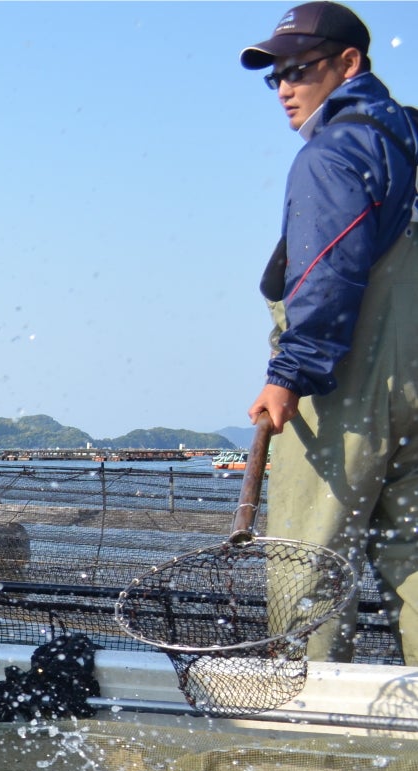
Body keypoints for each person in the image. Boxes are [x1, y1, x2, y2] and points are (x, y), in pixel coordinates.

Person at [241, 3, 418, 662]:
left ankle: (307, 741)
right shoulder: (412, 137)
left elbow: (327, 272)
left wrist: (289, 374)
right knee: (413, 554)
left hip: (347, 388)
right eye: (275, 77)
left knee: (307, 566)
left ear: (349, 64)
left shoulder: (334, 152)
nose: (285, 88)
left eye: (300, 70)